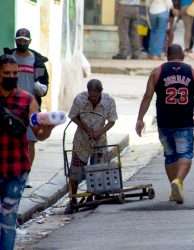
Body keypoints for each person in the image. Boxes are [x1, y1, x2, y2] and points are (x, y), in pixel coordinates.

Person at [136, 44, 194, 204]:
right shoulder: (193, 72)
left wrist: (140, 119)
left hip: (164, 122)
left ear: (167, 56)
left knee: (170, 156)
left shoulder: (157, 72)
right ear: (182, 55)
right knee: (185, 154)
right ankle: (178, 181)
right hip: (184, 122)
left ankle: (174, 189)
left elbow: (147, 96)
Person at [0, 54, 53, 250]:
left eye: (15, 73)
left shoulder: (27, 99)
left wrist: (49, 127)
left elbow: (38, 133)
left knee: (8, 220)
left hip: (16, 169)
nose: (12, 77)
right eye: (7, 73)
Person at [4, 28, 50, 188]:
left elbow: (45, 83)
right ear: (15, 40)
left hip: (30, 107)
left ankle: (26, 176)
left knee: (30, 141)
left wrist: (42, 88)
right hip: (10, 106)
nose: (22, 42)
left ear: (29, 41)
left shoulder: (37, 62)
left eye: (25, 40)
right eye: (19, 39)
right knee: (11, 140)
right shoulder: (9, 59)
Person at [65, 79, 118, 213]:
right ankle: (73, 199)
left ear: (100, 93)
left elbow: (112, 120)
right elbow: (73, 116)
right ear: (87, 92)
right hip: (81, 140)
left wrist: (100, 131)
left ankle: (92, 196)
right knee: (75, 171)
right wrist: (86, 128)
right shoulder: (80, 100)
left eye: (95, 96)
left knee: (96, 170)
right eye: (91, 95)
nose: (93, 98)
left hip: (99, 141)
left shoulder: (108, 101)